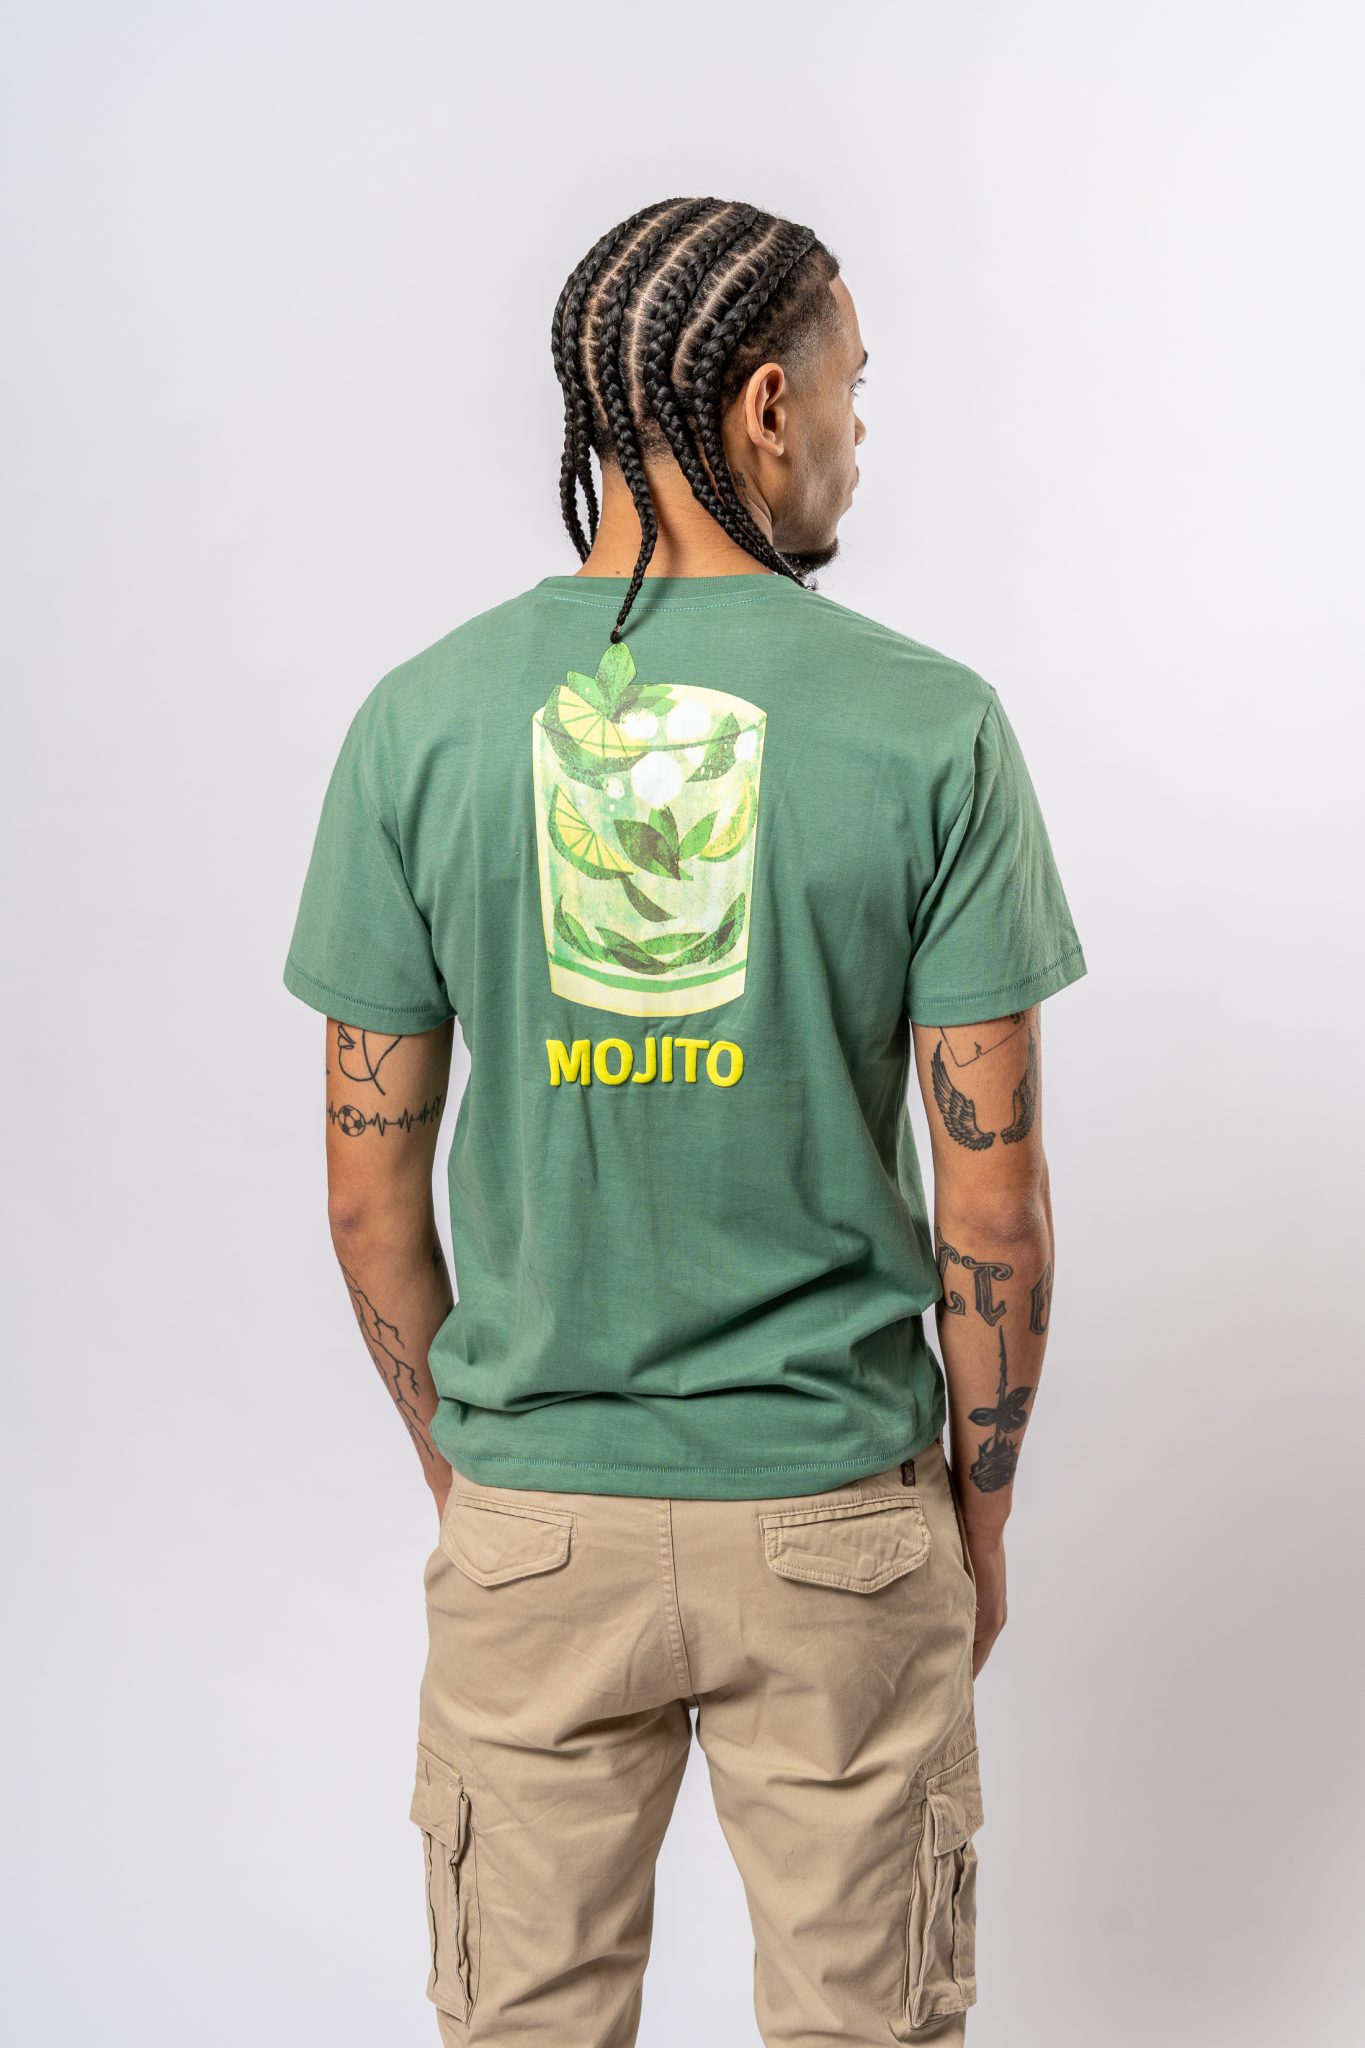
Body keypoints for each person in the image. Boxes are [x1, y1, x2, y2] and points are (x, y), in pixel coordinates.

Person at [282, 195, 1087, 2046]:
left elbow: (364, 1196)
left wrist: (481, 1476)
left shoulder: (420, 725)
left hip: (536, 1520)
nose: (861, 427)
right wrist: (975, 1516)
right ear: (764, 405)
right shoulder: (928, 728)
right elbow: (994, 1206)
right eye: (852, 383)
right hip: (837, 1516)